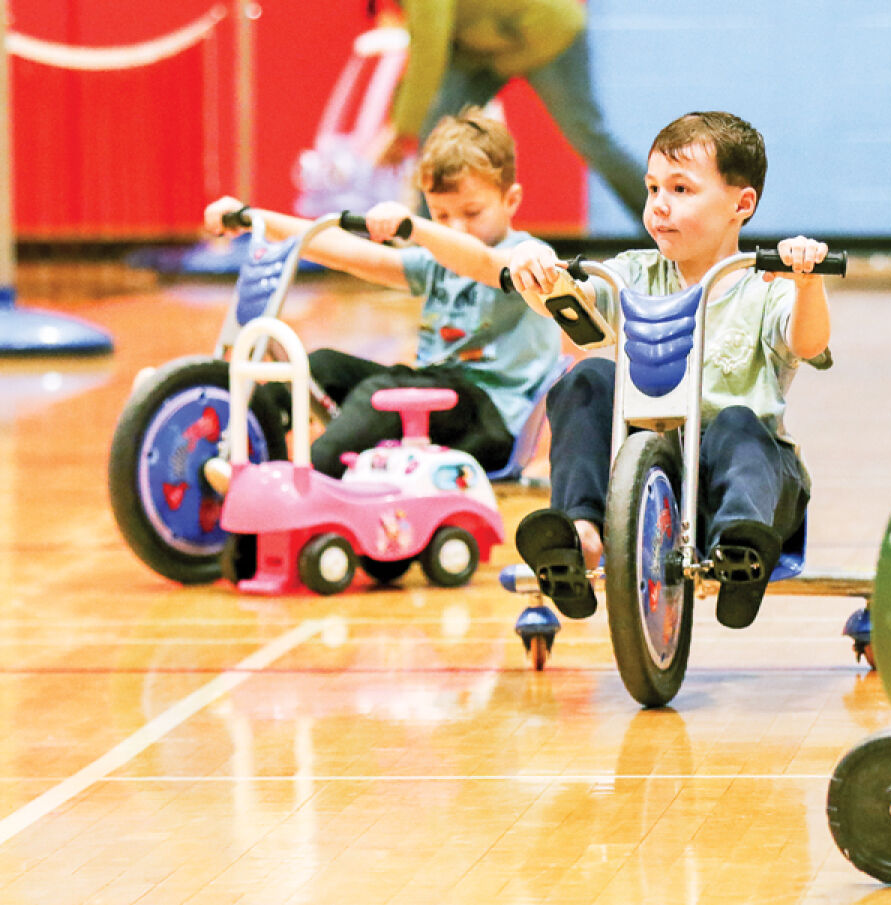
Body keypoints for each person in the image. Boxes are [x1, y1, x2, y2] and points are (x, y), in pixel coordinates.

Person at [505, 110, 833, 630]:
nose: (659, 205)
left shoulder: (762, 285)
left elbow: (808, 340)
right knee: (588, 378)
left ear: (740, 204)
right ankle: (580, 537)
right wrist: (539, 275)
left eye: (681, 189)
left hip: (747, 488)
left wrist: (807, 282)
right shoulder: (635, 272)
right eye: (653, 187)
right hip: (654, 479)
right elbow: (580, 305)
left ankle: (739, 551)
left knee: (736, 423)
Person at [204, 106, 562, 478]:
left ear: (511, 201)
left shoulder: (522, 259)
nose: (457, 227)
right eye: (441, 215)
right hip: (434, 397)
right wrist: (253, 218)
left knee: (385, 391)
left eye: (472, 213)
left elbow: (500, 260)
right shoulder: (435, 262)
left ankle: (306, 480)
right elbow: (345, 252)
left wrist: (419, 228)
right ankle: (236, 455)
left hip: (490, 421)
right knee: (322, 366)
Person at [372, 0, 646, 219]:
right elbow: (434, 57)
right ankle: (431, 251)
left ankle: (662, 221)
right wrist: (402, 123)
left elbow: (429, 53)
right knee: (436, 133)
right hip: (491, 49)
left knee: (589, 138)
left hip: (548, 31)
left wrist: (403, 130)